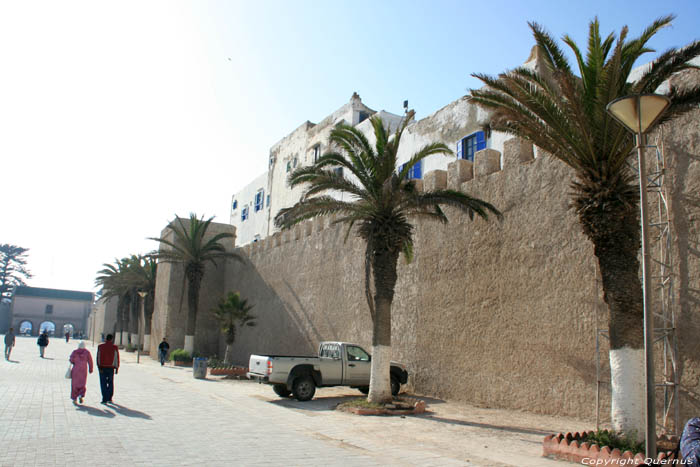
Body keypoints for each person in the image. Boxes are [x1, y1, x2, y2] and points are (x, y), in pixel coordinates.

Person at [96, 334, 119, 404]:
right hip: (111, 367)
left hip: (102, 367)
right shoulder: (114, 347)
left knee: (103, 383)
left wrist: (99, 366)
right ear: (112, 339)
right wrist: (116, 367)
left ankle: (104, 399)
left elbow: (98, 357)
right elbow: (116, 358)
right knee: (110, 383)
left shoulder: (100, 346)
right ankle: (109, 398)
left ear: (106, 339)